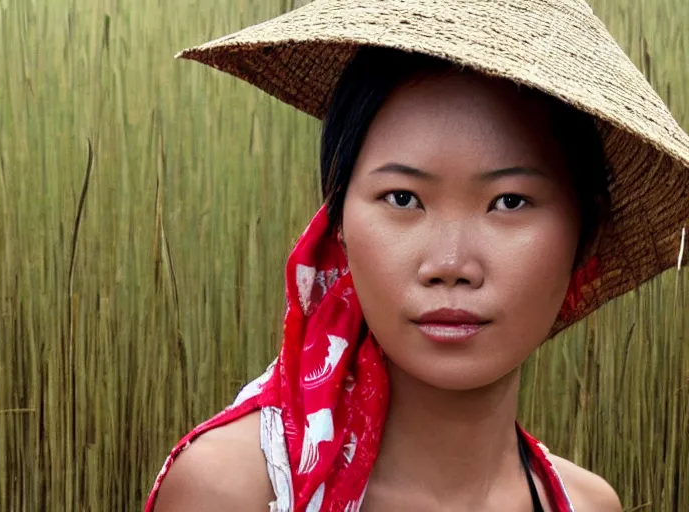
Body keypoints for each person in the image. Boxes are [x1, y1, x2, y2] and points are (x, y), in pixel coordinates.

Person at [146, 1, 689, 511]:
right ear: (338, 222)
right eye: (403, 198)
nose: (450, 263)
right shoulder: (235, 489)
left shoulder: (585, 503)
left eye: (509, 202)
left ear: (586, 235)